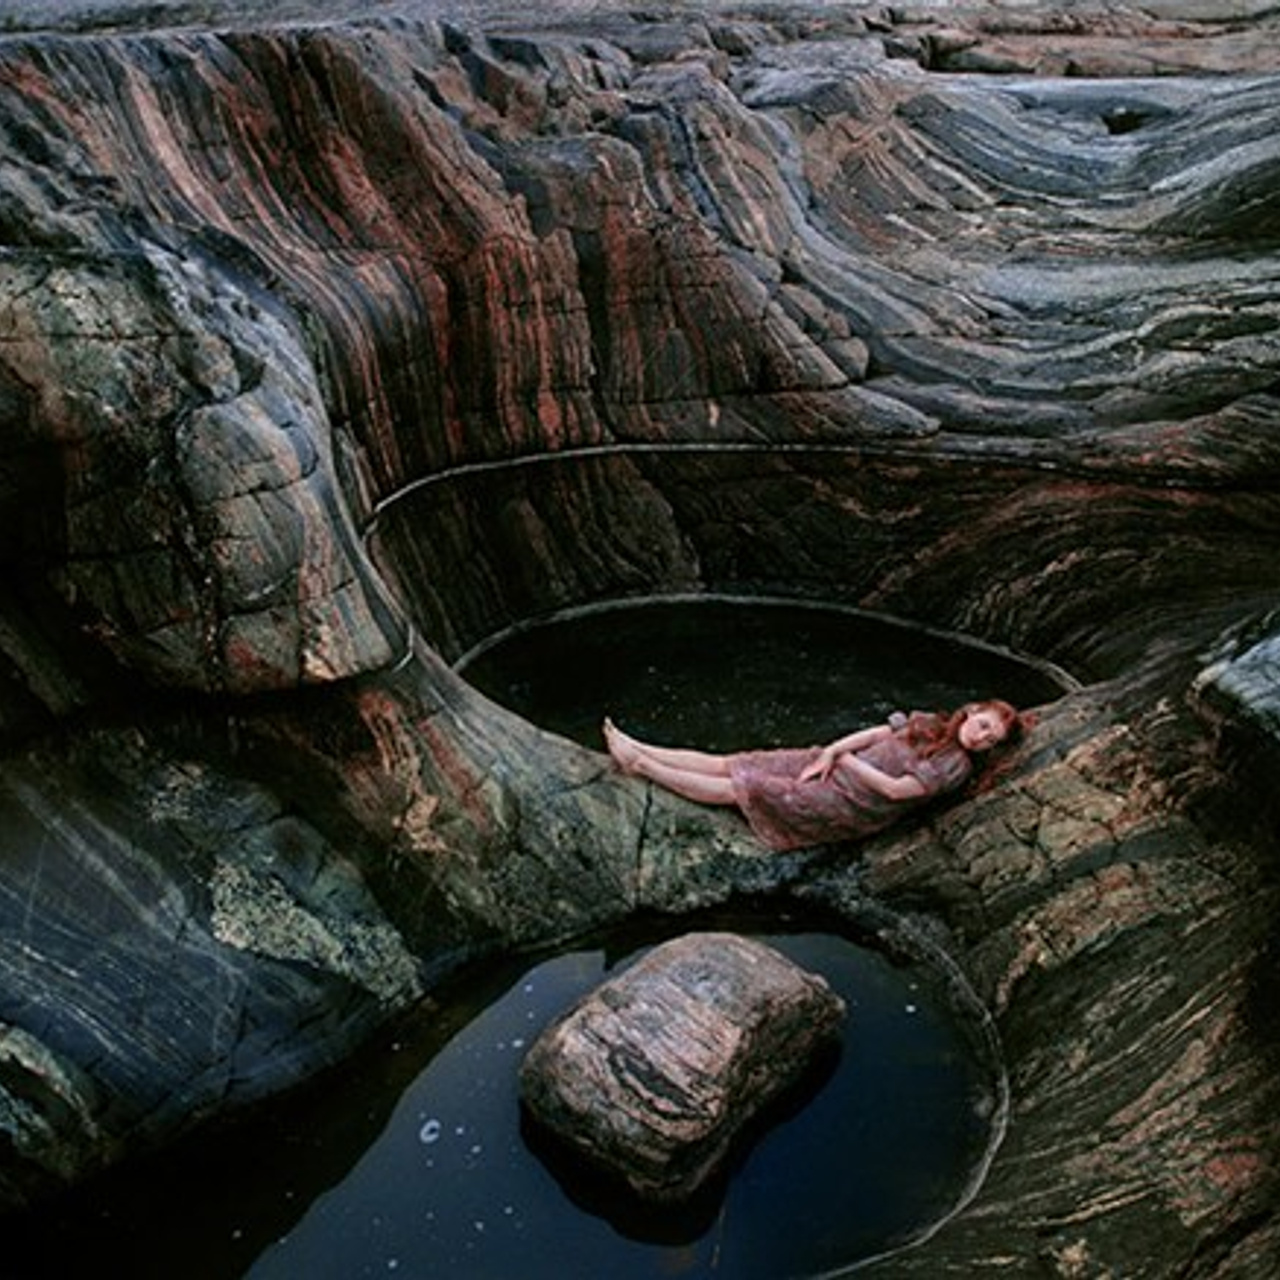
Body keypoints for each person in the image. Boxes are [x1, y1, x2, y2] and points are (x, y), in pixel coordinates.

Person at [603, 701, 1021, 852]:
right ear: (971, 712)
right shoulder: (932, 722)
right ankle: (640, 746)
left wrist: (846, 765)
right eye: (983, 725)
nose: (980, 738)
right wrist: (833, 752)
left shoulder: (955, 767)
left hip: (849, 804)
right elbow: (877, 732)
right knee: (734, 760)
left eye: (990, 740)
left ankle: (641, 767)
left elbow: (895, 791)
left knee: (746, 787)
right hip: (833, 765)